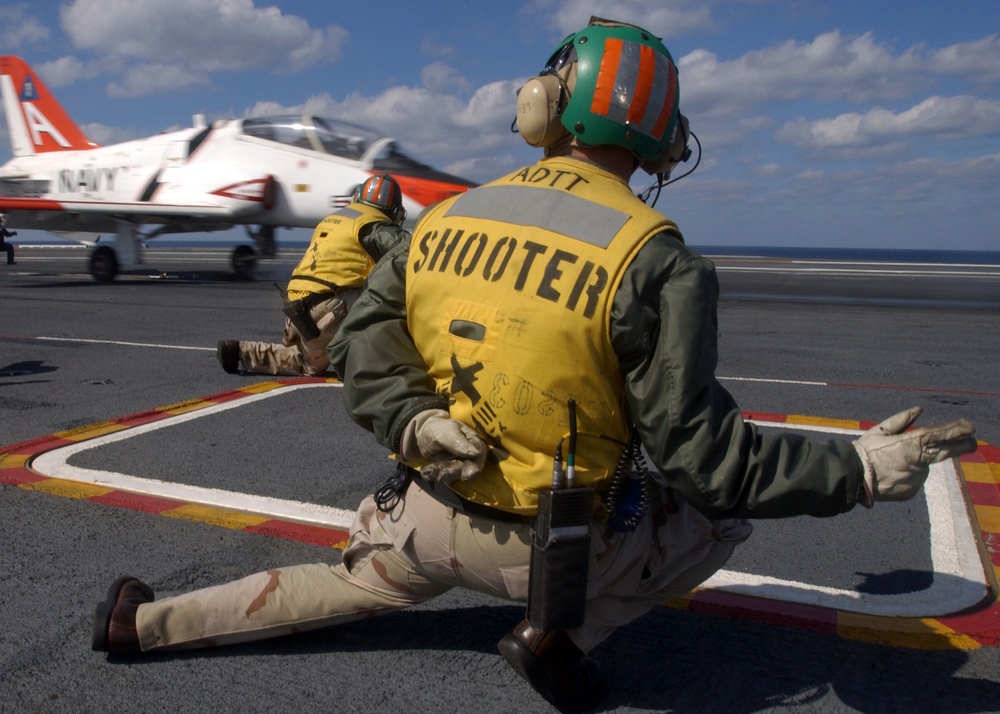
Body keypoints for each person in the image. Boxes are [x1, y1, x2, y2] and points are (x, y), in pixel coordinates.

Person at [93, 18, 978, 713]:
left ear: (550, 106)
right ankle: (566, 636)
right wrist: (857, 470)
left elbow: (359, 342)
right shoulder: (659, 258)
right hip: (556, 552)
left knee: (340, 585)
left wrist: (410, 419)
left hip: (425, 514)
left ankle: (142, 624)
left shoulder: (444, 220)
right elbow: (709, 462)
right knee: (717, 517)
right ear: (660, 136)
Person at [215, 174, 410, 376]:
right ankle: (382, 363)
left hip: (296, 311)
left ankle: (240, 353)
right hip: (331, 308)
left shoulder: (332, 221)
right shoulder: (375, 224)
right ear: (393, 210)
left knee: (310, 364)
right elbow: (410, 251)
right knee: (392, 291)